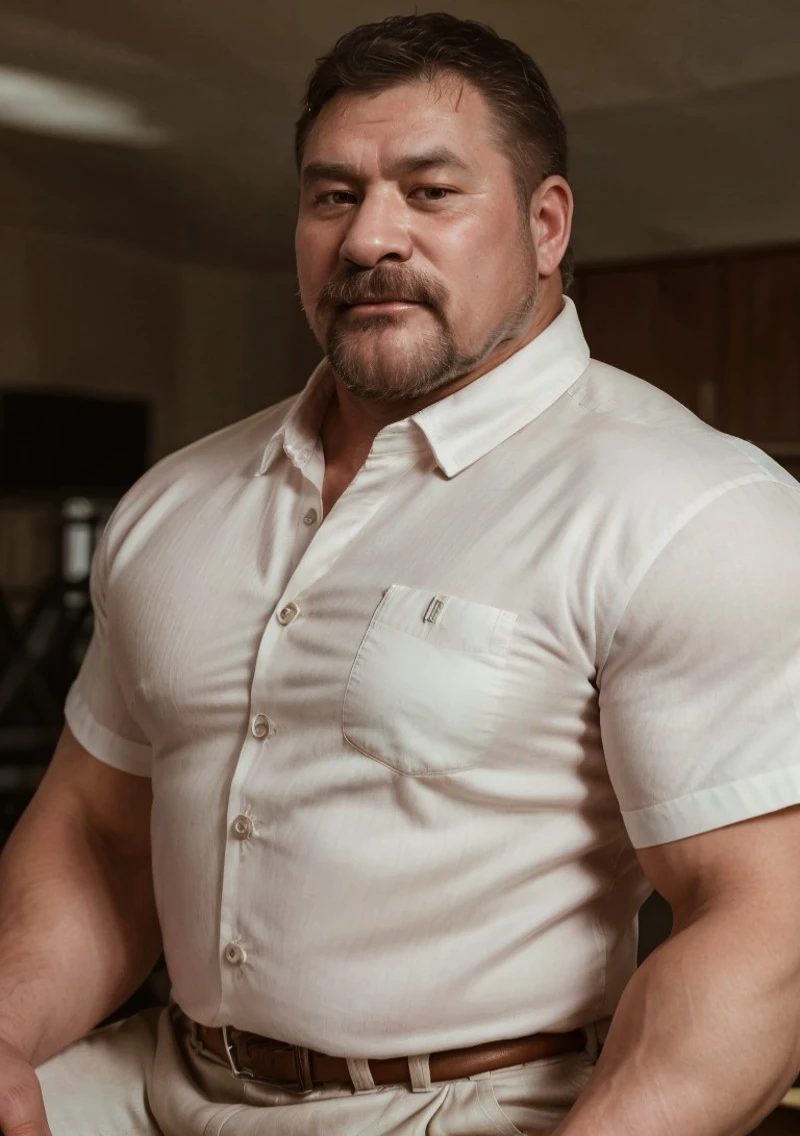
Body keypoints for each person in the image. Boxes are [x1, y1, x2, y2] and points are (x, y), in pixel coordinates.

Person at [1, 12, 799, 1136]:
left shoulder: (692, 508)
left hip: (468, 1107)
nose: (370, 236)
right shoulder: (175, 501)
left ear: (545, 225)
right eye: (333, 195)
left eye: (430, 192)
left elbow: (767, 924)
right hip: (161, 1079)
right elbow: (99, 835)